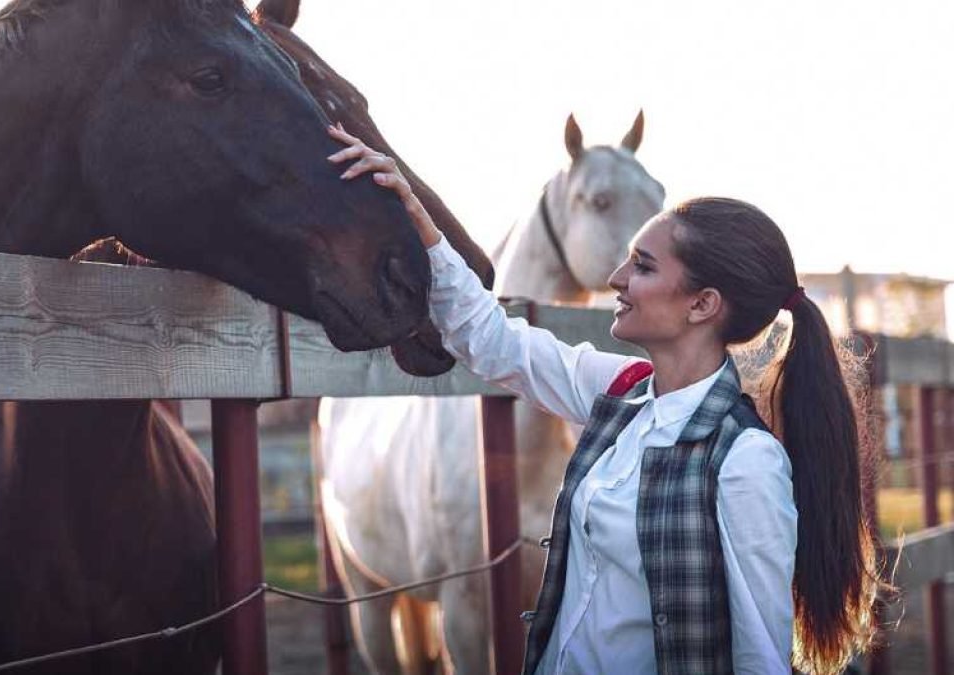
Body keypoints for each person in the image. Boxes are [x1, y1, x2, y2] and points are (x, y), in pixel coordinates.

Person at [326, 124, 882, 674]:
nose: (616, 277)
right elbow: (491, 339)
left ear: (702, 304)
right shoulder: (619, 392)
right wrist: (417, 214)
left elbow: (759, 657)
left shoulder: (745, 462)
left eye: (642, 266)